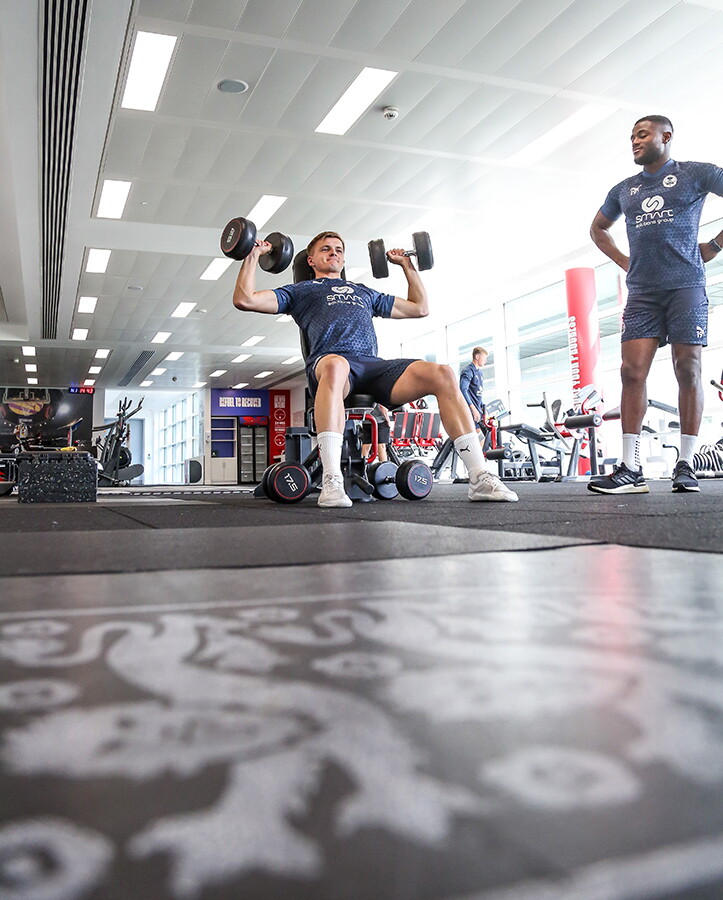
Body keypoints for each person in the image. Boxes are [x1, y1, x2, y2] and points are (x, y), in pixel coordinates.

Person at [232, 231, 518, 507]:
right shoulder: (300, 291)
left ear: (344, 260)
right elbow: (245, 299)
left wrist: (407, 265)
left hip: (372, 367)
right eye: (326, 249)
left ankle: (480, 476)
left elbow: (419, 308)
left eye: (339, 250)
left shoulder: (364, 292)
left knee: (442, 373)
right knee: (334, 365)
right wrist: (253, 254)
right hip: (333, 365)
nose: (334, 253)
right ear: (311, 260)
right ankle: (332, 479)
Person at [588, 115, 723, 495]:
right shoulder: (624, 189)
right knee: (631, 372)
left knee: (688, 369)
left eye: (642, 134)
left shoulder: (696, 173)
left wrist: (714, 245)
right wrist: (625, 262)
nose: (634, 141)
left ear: (666, 137)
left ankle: (686, 463)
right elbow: (598, 229)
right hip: (643, 291)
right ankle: (630, 468)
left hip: (686, 285)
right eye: (632, 136)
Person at [459, 347, 491, 453]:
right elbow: (463, 390)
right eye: (484, 358)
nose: (485, 361)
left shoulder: (480, 373)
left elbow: (478, 394)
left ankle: (481, 463)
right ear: (477, 357)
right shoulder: (468, 371)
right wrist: (472, 408)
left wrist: (483, 409)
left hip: (478, 412)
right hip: (471, 412)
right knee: (479, 442)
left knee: (486, 440)